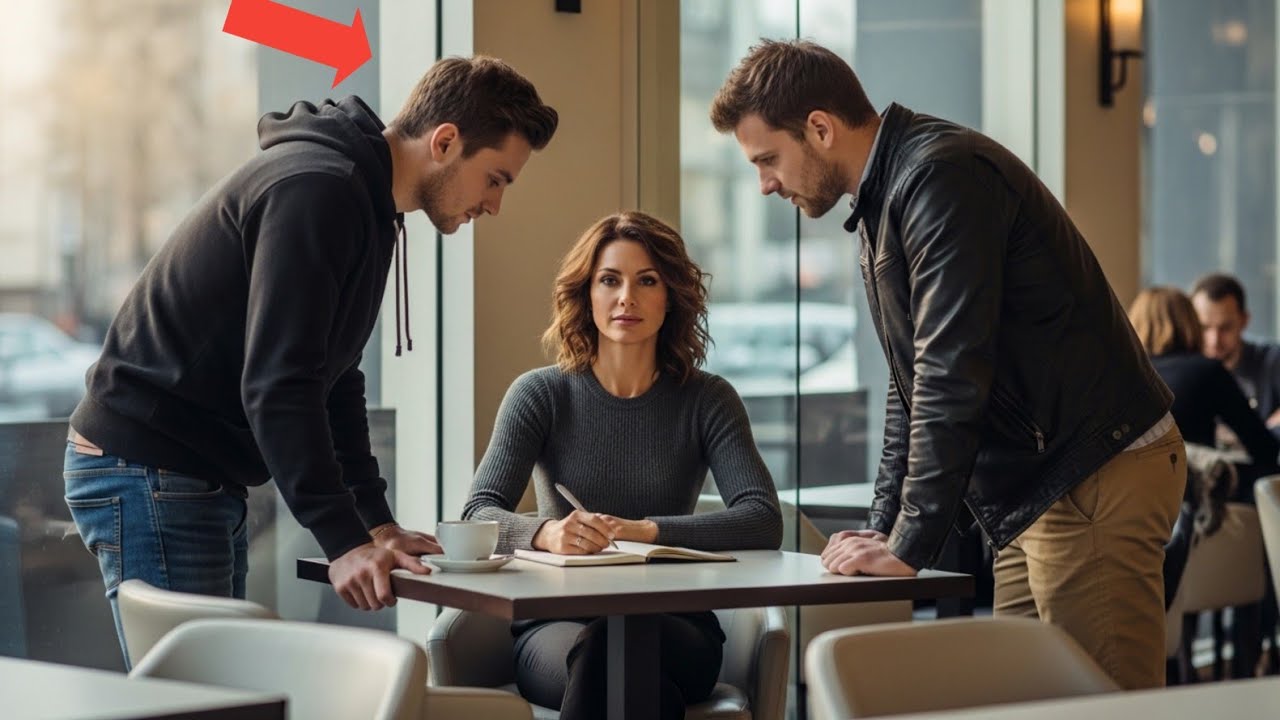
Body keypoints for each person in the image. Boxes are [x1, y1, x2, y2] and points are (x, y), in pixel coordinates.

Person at [710, 39, 1183, 689]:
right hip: (1037, 489)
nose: (765, 184)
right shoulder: (883, 199)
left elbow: (950, 370)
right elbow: (910, 389)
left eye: (768, 159)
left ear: (819, 128)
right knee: (1018, 699)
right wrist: (883, 528)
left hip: (1089, 471)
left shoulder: (938, 175)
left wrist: (908, 545)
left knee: (1105, 705)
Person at [64, 56, 558, 665]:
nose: (495, 205)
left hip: (184, 470)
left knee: (221, 695)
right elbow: (279, 383)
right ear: (446, 141)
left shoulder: (367, 205)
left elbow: (335, 379)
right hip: (150, 465)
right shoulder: (321, 189)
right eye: (496, 178)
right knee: (203, 702)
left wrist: (374, 523)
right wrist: (344, 541)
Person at [461, 211, 782, 719]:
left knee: (621, 649)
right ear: (586, 294)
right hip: (555, 628)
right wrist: (546, 534)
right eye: (609, 280)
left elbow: (763, 519)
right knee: (613, 659)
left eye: (646, 281)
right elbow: (477, 514)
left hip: (676, 628)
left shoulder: (708, 400)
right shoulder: (539, 394)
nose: (626, 298)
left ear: (671, 295)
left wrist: (647, 531)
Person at [1191, 273, 1280, 438]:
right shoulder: (1183, 371)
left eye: (1225, 328)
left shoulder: (1272, 359)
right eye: (1204, 328)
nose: (1214, 340)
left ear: (1244, 320)